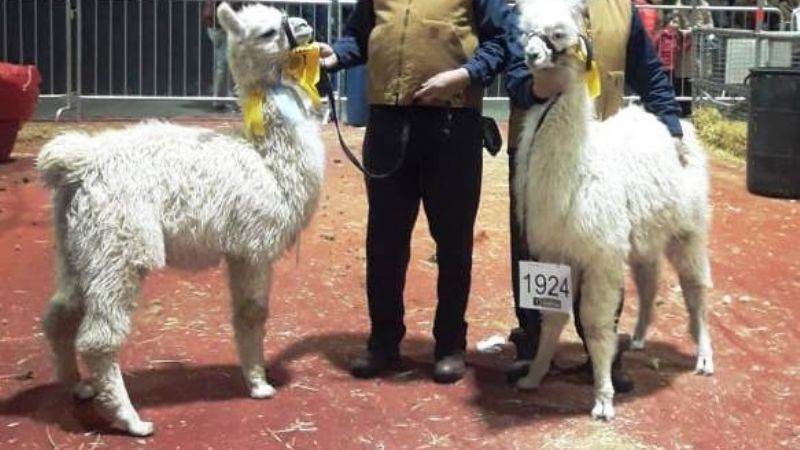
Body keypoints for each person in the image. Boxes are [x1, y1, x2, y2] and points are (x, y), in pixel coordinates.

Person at [318, 0, 510, 383]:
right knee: (384, 240)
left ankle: (451, 344)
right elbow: (359, 35)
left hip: (452, 121)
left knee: (453, 241)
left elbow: (502, 41)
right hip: (388, 120)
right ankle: (384, 342)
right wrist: (335, 55)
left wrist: (465, 74)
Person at [503, 0, 686, 391]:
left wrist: (671, 124)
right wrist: (534, 87)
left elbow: (648, 69)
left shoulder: (620, 9)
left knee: (604, 251)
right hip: (542, 153)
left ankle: (600, 349)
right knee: (541, 251)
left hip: (600, 153)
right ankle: (537, 344)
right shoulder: (529, 8)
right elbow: (512, 68)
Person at [202, 0, 243, 110]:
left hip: (220, 23)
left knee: (225, 63)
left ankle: (225, 99)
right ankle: (227, 100)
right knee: (226, 63)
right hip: (221, 24)